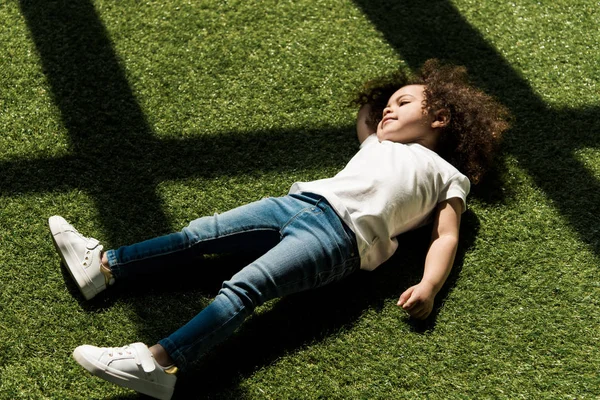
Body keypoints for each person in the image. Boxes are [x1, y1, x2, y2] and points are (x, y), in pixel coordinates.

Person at [49, 59, 509, 400]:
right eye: (388, 105)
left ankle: (159, 362)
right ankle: (104, 267)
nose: (388, 111)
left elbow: (445, 236)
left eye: (403, 103)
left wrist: (430, 285)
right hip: (296, 203)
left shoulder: (447, 175)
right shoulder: (375, 141)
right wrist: (382, 97)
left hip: (338, 240)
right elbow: (368, 116)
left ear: (440, 119)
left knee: (244, 288)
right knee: (199, 234)